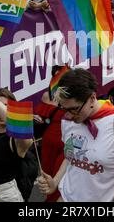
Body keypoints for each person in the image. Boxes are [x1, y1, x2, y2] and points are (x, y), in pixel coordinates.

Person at [36, 68, 114, 202]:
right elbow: (70, 156)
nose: (68, 115)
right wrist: (55, 182)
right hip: (65, 198)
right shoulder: (68, 120)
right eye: (64, 108)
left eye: (74, 109)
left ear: (92, 98)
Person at [34, 66, 66, 202]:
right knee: (48, 175)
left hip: (66, 142)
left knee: (61, 176)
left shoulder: (74, 97)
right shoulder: (47, 95)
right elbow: (41, 117)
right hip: (49, 142)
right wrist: (36, 118)